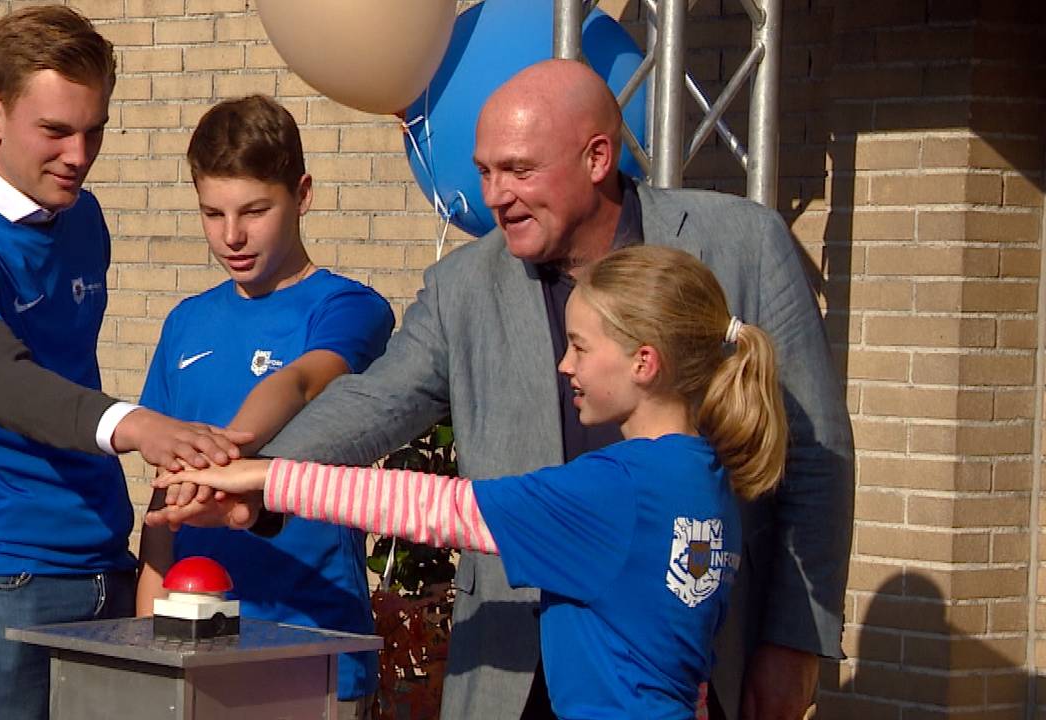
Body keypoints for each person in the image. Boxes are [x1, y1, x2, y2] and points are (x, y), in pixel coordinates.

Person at [153, 59, 854, 720]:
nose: (494, 195)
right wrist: (256, 480)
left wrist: (796, 638)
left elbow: (816, 458)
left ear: (597, 158)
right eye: (485, 171)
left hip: (691, 664)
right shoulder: (466, 285)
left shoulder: (742, 243)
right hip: (516, 667)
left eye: (518, 170)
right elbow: (375, 403)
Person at [160, 245, 788, 718]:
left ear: (644, 362)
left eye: (578, 346)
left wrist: (268, 478)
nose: (562, 364)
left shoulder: (617, 491)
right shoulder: (708, 479)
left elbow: (435, 508)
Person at [0, 7, 247, 719]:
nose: (79, 155)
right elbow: (4, 383)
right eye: (55, 131)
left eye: (96, 129)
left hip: (103, 560)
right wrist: (139, 425)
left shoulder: (85, 220)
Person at [134, 95, 394, 718]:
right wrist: (146, 628)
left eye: (255, 210)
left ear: (301, 194)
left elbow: (304, 382)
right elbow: (164, 495)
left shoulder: (348, 307)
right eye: (212, 213)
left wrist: (231, 449)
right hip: (198, 644)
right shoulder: (185, 322)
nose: (232, 236)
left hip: (315, 645)